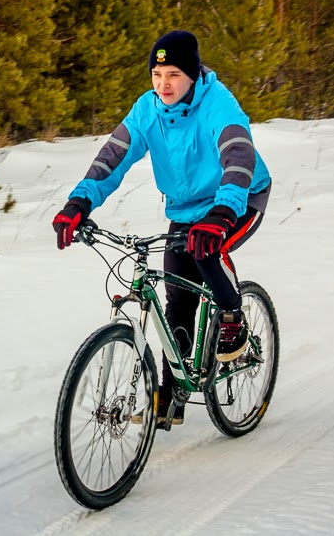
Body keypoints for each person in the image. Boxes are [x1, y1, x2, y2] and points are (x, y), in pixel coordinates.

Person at [52, 30, 271, 427]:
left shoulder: (217, 104)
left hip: (239, 198)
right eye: (156, 73)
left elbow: (238, 154)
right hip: (188, 210)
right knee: (177, 297)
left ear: (192, 75)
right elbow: (111, 158)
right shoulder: (146, 110)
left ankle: (233, 316)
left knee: (207, 251)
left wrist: (223, 212)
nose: (163, 84)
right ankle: (169, 399)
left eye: (173, 74)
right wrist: (78, 203)